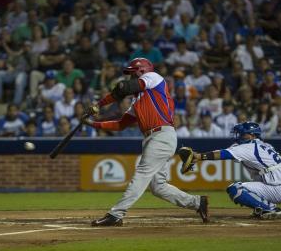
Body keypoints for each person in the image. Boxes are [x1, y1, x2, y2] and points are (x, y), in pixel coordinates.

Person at [81, 57, 208, 226]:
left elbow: (125, 88)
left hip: (161, 135)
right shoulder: (138, 101)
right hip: (152, 138)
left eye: (132, 73)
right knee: (158, 187)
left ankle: (116, 214)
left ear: (141, 70)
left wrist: (100, 103)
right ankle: (198, 203)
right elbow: (120, 124)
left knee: (141, 174)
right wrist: (93, 123)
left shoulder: (154, 78)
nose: (130, 77)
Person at [187, 122, 281, 219]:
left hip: (280, 188)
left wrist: (199, 156)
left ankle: (271, 209)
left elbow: (223, 154)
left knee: (236, 189)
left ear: (252, 135)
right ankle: (263, 208)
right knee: (243, 187)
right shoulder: (263, 145)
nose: (239, 136)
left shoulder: (249, 147)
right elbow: (229, 150)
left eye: (243, 134)